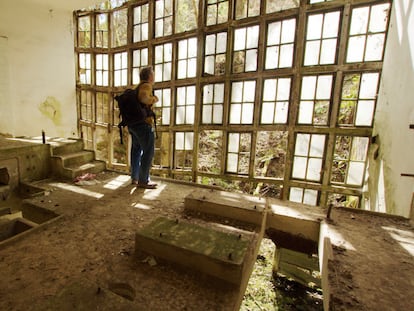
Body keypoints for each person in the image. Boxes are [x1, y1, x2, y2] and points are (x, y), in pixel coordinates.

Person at [128, 66, 158, 189]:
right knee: (148, 151)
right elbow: (144, 98)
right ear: (150, 76)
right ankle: (143, 180)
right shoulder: (146, 86)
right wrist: (154, 99)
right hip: (143, 125)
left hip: (133, 124)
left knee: (136, 150)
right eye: (153, 74)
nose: (154, 77)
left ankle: (135, 177)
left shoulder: (137, 87)